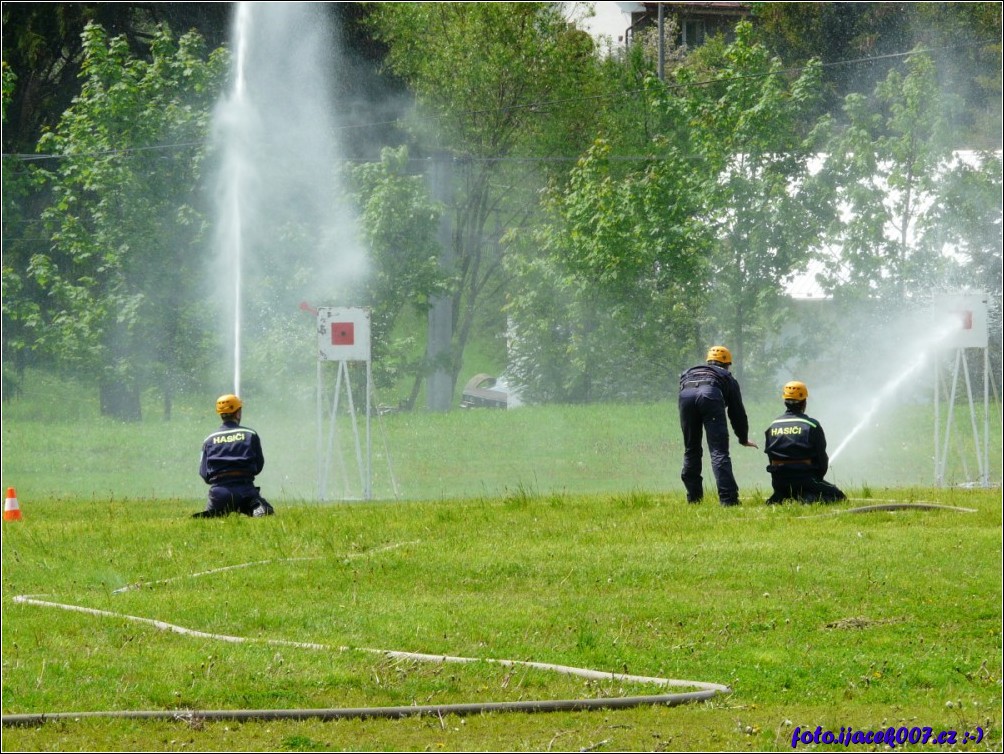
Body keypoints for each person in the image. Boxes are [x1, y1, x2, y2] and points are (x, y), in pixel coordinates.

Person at [678, 346, 758, 506]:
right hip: (709, 395)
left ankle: (694, 499)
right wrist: (743, 438)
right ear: (727, 364)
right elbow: (737, 412)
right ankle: (728, 500)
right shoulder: (727, 377)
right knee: (718, 452)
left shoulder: (690, 373)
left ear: (709, 361)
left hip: (685, 395)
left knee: (691, 449)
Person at [763, 381, 846, 504]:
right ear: (804, 402)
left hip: (779, 481)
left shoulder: (773, 426)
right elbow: (822, 458)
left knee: (785, 495)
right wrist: (817, 479)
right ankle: (808, 498)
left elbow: (771, 456)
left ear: (785, 401)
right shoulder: (812, 425)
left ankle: (781, 497)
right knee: (838, 496)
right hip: (806, 480)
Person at [195, 394, 275, 518]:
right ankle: (257, 507)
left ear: (221, 414)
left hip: (219, 493)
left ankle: (215, 511)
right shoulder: (250, 434)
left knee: (210, 517)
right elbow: (259, 466)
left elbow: (204, 473)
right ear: (238, 413)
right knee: (265, 510)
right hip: (246, 490)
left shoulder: (209, 440)